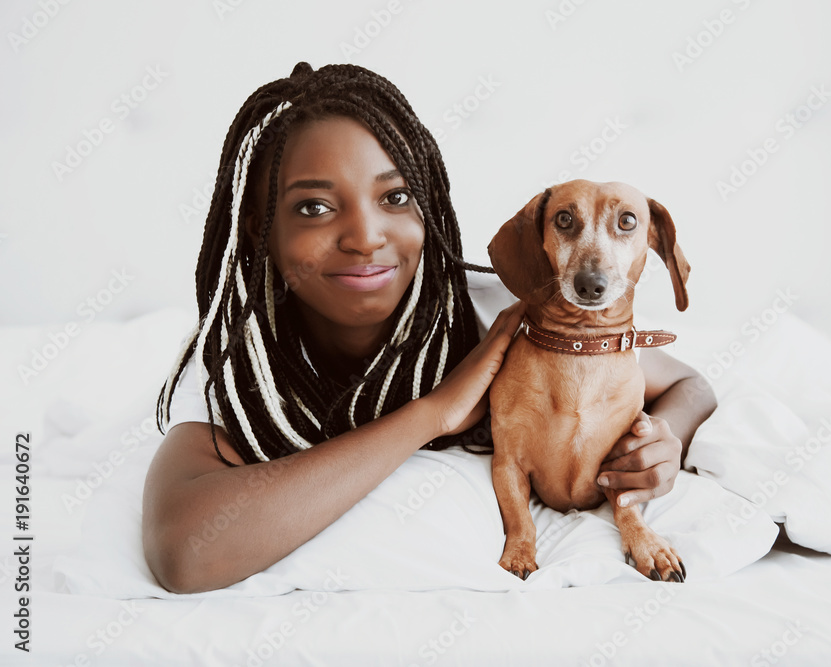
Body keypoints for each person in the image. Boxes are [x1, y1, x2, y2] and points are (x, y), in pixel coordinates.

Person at [142, 62, 716, 595]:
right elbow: (184, 556)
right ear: (256, 224)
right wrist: (434, 413)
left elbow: (690, 387)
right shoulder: (242, 369)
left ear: (430, 205)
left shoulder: (496, 315)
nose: (365, 237)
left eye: (395, 196)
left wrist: (664, 439)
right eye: (314, 207)